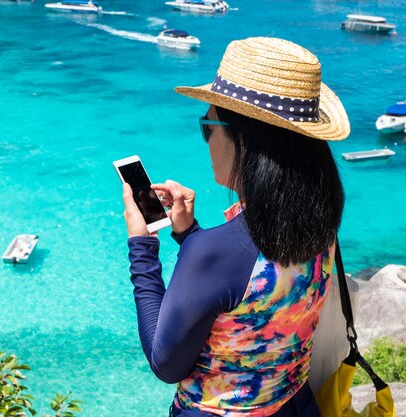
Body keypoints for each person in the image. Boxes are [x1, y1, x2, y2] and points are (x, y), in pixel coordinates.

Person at [121, 37, 349, 417]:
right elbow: (252, 291)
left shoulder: (213, 253)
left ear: (243, 140)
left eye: (206, 126)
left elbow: (166, 363)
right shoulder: (321, 227)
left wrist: (141, 247)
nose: (206, 139)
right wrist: (189, 234)